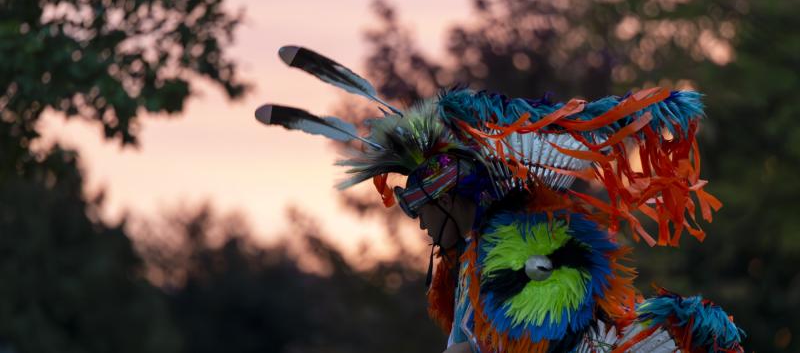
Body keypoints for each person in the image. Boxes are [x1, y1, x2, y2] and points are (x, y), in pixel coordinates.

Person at [257, 45, 745, 352]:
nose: (420, 225)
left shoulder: (521, 242)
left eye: (421, 210)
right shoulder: (470, 262)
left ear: (448, 200)